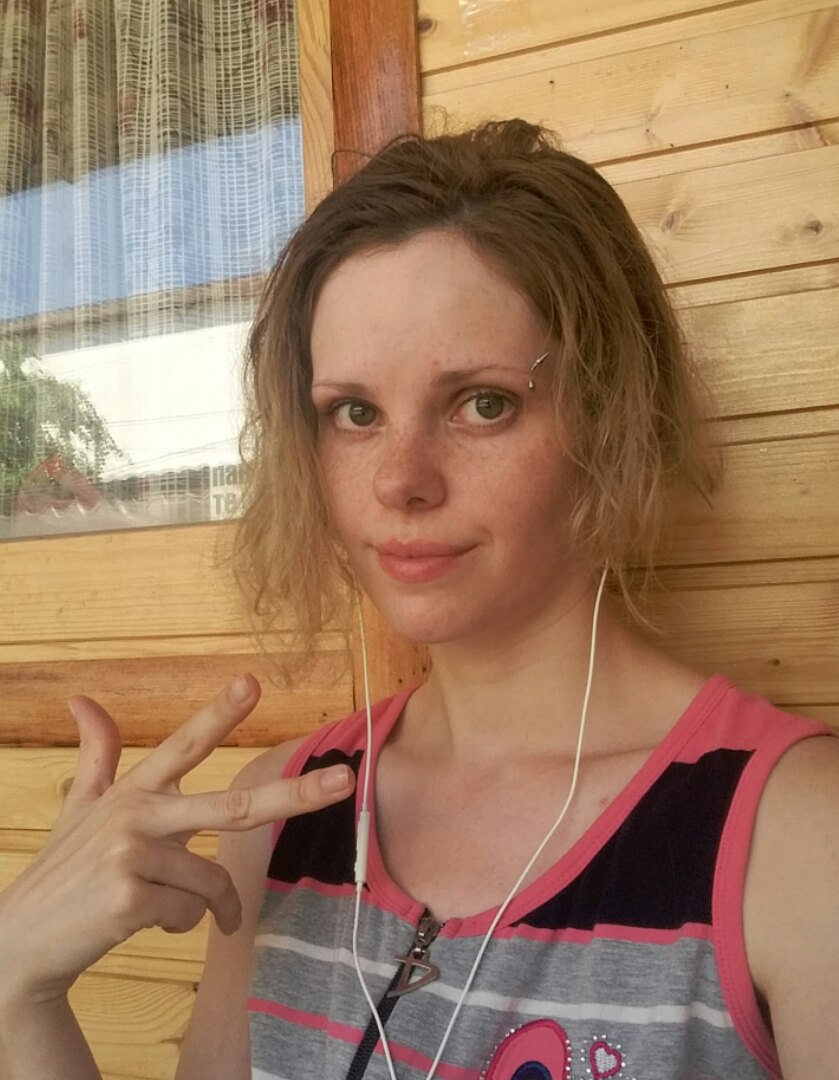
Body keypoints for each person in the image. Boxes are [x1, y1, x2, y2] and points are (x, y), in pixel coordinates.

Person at [0, 119, 836, 1080]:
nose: (400, 480)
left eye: (482, 403)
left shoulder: (794, 838)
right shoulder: (279, 821)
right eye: (354, 413)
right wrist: (19, 987)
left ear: (609, 412)